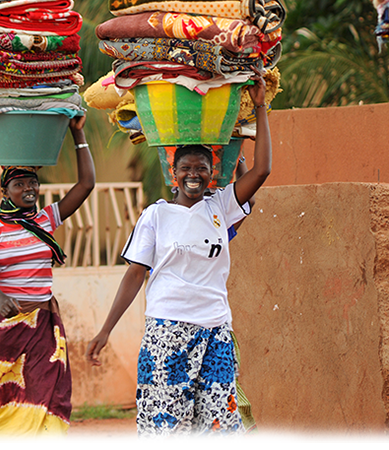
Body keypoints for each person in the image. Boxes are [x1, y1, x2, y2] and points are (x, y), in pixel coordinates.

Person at [85, 74, 271, 443]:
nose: (193, 174)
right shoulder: (156, 215)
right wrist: (105, 330)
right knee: (165, 429)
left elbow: (262, 171)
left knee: (218, 428)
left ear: (211, 174)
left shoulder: (220, 206)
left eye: (201, 168)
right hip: (167, 333)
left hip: (216, 332)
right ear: (173, 174)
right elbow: (134, 276)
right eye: (185, 167)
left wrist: (260, 106)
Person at [0, 115, 94, 443]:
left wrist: (77, 133)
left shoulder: (45, 219)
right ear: (5, 190)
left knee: (49, 394)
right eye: (19, 184)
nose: (29, 189)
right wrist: (0, 300)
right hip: (5, 327)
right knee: (2, 396)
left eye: (32, 183)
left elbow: (86, 185)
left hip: (43, 327)